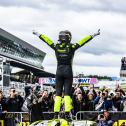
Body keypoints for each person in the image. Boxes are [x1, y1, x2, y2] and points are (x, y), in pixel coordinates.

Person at [33, 29, 100, 120]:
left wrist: (38, 34)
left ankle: (56, 114)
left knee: (58, 94)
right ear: (69, 37)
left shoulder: (56, 46)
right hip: (68, 71)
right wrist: (93, 35)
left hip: (59, 72)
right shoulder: (72, 46)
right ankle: (67, 114)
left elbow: (47, 41)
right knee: (67, 94)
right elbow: (83, 41)